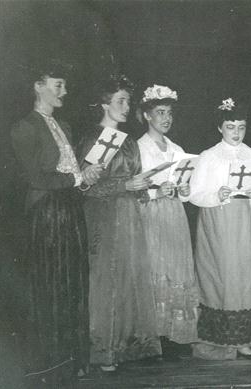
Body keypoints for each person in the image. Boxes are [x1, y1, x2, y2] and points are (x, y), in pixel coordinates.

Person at [10, 59, 102, 384]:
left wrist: (86, 177)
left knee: (72, 284)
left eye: (64, 85)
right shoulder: (24, 128)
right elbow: (37, 178)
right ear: (38, 86)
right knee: (51, 285)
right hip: (46, 215)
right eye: (58, 84)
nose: (64, 90)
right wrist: (77, 178)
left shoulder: (65, 126)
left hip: (70, 212)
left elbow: (72, 176)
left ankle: (72, 359)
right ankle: (51, 363)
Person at [79, 75, 161, 371]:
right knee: (107, 280)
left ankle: (128, 346)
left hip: (129, 216)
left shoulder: (128, 142)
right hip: (104, 216)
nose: (127, 107)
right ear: (104, 104)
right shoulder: (93, 139)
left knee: (130, 277)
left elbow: (135, 181)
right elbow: (85, 187)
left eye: (128, 101)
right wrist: (123, 186)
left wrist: (142, 186)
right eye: (120, 101)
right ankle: (105, 350)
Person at [185, 98, 251, 360]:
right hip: (219, 225)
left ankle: (244, 338)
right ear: (219, 128)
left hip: (248, 224)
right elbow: (195, 194)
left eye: (241, 127)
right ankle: (221, 339)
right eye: (230, 127)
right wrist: (216, 193)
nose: (236, 133)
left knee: (248, 277)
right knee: (223, 277)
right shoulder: (209, 156)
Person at [137, 84, 200, 355]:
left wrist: (185, 190)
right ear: (147, 116)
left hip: (174, 213)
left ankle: (176, 333)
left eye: (169, 113)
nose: (166, 118)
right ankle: (155, 334)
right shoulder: (139, 147)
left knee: (176, 267)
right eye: (160, 112)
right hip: (151, 214)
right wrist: (154, 191)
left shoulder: (176, 148)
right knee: (156, 266)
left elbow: (183, 184)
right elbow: (133, 188)